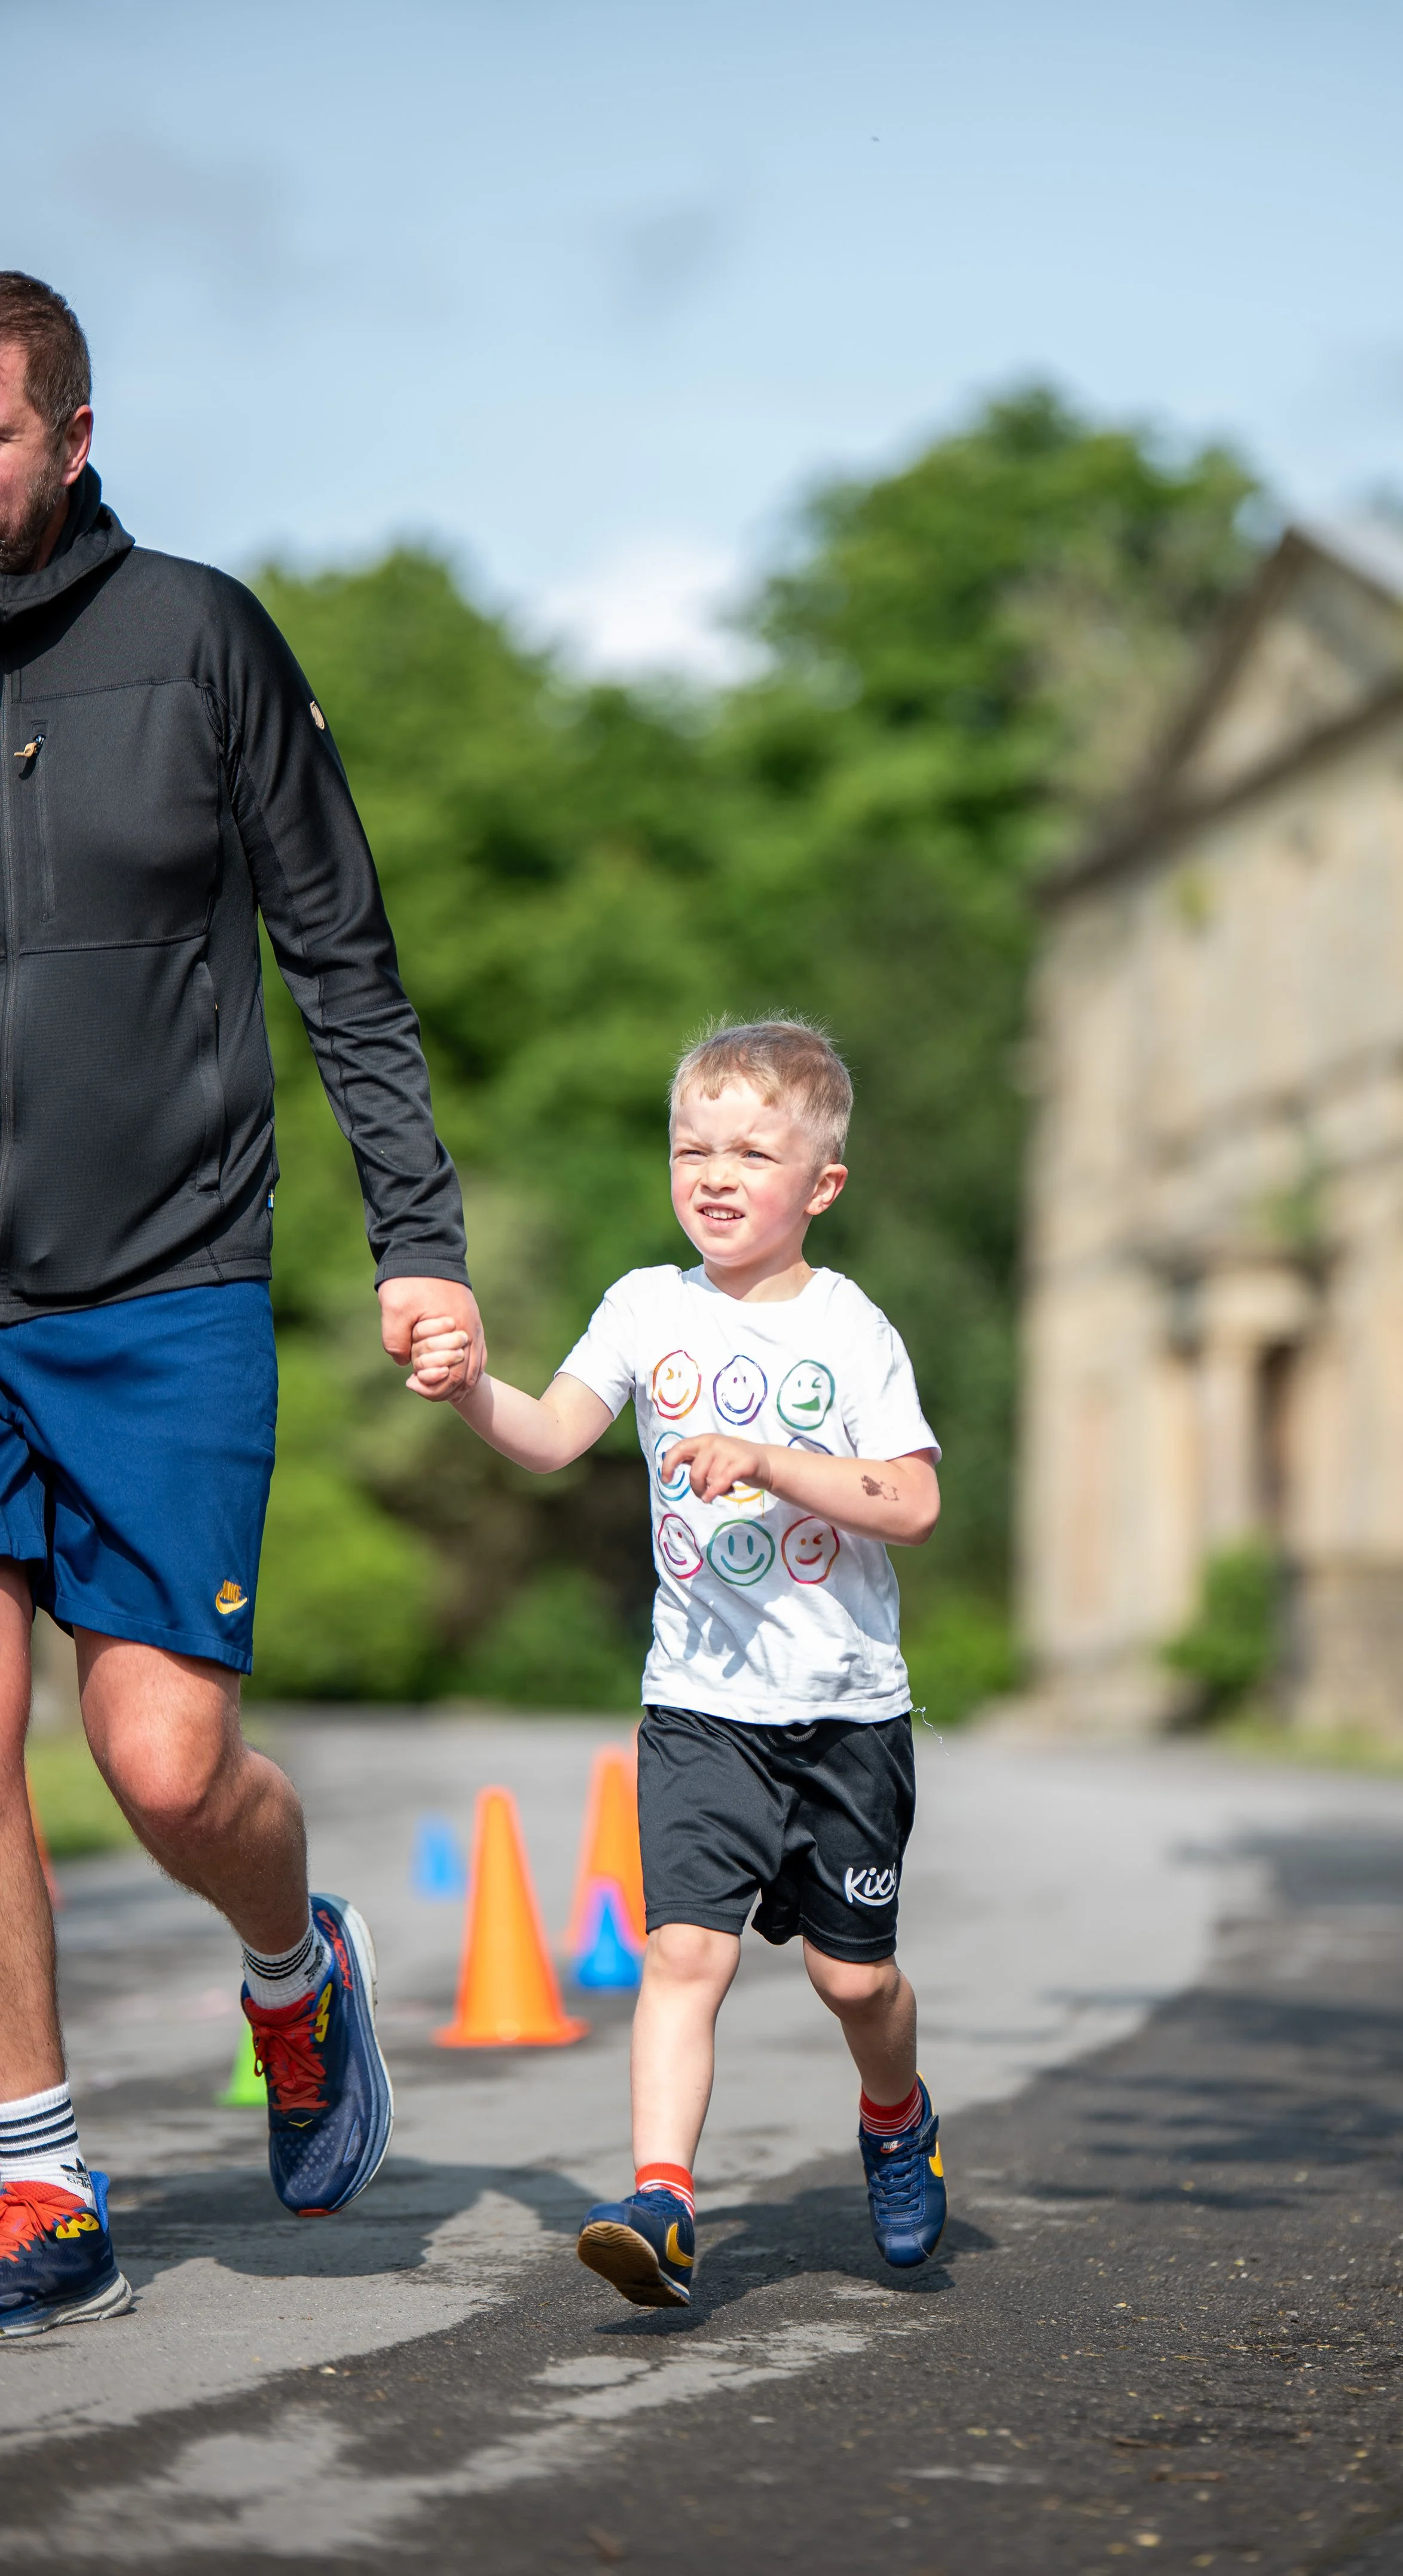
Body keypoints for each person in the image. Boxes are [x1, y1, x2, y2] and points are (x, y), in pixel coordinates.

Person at [0, 273, 483, 2338]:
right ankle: (39, 2179)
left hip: (163, 1282)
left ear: (72, 439)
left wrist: (421, 1240)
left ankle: (296, 1969)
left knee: (167, 1764)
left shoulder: (198, 634)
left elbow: (342, 955)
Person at [412, 1017, 946, 2307]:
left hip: (844, 1714)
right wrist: (472, 1385)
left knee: (851, 1978)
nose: (712, 1173)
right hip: (700, 1707)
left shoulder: (849, 1328)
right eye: (688, 1146)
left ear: (818, 1186)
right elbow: (549, 1436)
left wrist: (765, 1460)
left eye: (749, 1153)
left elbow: (910, 1503)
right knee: (683, 1958)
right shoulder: (645, 1308)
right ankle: (659, 2200)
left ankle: (894, 2120)